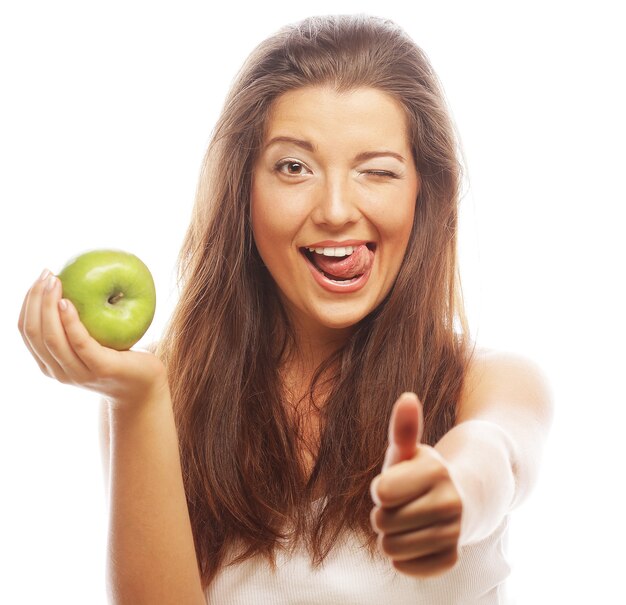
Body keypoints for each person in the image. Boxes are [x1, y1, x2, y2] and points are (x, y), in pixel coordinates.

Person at [17, 13, 554, 605]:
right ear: (242, 190)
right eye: (293, 167)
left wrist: (453, 494)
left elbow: (497, 454)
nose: (334, 209)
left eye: (377, 171)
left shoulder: (491, 381)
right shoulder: (170, 396)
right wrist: (138, 397)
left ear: (425, 193)